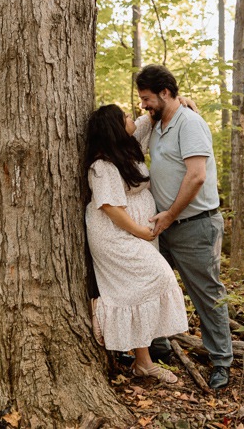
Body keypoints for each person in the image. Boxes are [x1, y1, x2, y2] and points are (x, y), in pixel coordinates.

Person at [135, 64, 232, 390]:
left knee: (206, 294)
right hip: (167, 225)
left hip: (194, 225)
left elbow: (197, 176)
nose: (143, 104)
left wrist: (170, 215)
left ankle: (221, 362)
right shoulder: (158, 124)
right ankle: (159, 344)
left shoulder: (189, 123)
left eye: (147, 98)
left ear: (164, 92)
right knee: (154, 284)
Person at [85, 104, 189, 384]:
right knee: (159, 277)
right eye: (125, 117)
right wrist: (141, 233)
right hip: (115, 234)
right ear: (115, 127)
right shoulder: (102, 165)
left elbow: (146, 120)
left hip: (137, 230)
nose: (132, 118)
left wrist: (181, 102)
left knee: (135, 292)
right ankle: (102, 310)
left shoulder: (127, 148)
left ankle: (144, 363)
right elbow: (110, 208)